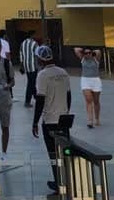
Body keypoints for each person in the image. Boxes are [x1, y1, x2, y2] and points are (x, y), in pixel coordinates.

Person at [32, 45, 70, 195]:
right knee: (64, 152)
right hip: (64, 119)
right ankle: (67, 179)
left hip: (50, 120)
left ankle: (59, 182)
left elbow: (40, 99)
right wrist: (66, 111)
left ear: (40, 59)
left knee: (53, 154)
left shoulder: (42, 75)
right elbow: (68, 96)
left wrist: (35, 121)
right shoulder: (63, 73)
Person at [74, 47, 102, 128]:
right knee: (89, 100)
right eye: (86, 53)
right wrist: (83, 52)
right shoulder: (83, 59)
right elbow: (76, 49)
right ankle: (90, 120)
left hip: (96, 80)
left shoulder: (95, 59)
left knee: (96, 101)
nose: (88, 54)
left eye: (89, 53)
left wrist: (92, 52)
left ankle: (97, 118)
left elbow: (98, 50)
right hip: (85, 80)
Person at [19, 31, 39, 107]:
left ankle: (36, 96)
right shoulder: (35, 43)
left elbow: (21, 55)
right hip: (33, 66)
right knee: (31, 83)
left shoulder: (22, 43)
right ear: (32, 35)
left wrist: (21, 65)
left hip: (26, 66)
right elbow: (37, 54)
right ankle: (27, 101)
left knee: (31, 81)